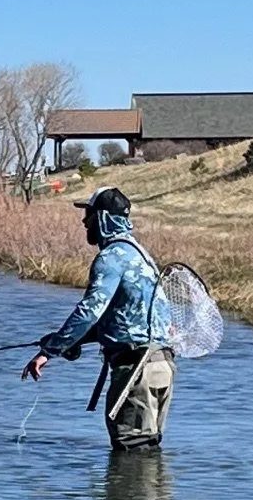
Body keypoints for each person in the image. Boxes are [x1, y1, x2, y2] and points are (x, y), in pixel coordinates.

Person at [20, 187, 175, 450]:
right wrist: (68, 343)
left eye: (89, 214)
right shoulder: (140, 254)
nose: (84, 221)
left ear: (103, 219)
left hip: (135, 369)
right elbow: (120, 322)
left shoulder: (111, 258)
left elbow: (90, 311)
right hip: (161, 367)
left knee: (132, 452)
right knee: (148, 452)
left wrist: (49, 351)